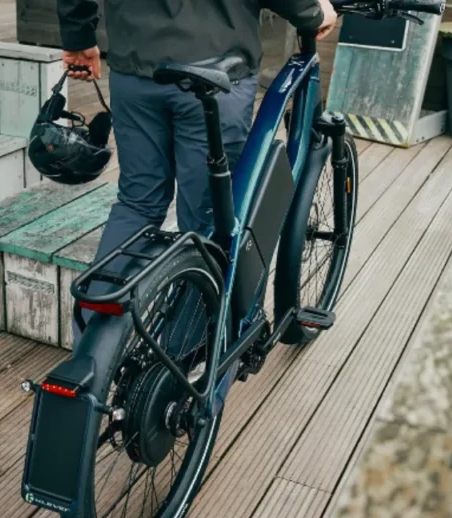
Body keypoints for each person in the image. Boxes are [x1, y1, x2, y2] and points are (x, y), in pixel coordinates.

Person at [59, 0, 338, 348]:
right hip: (214, 70)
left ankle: (91, 347)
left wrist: (78, 36)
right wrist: (313, 12)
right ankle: (186, 355)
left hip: (135, 64)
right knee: (207, 220)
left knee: (136, 204)